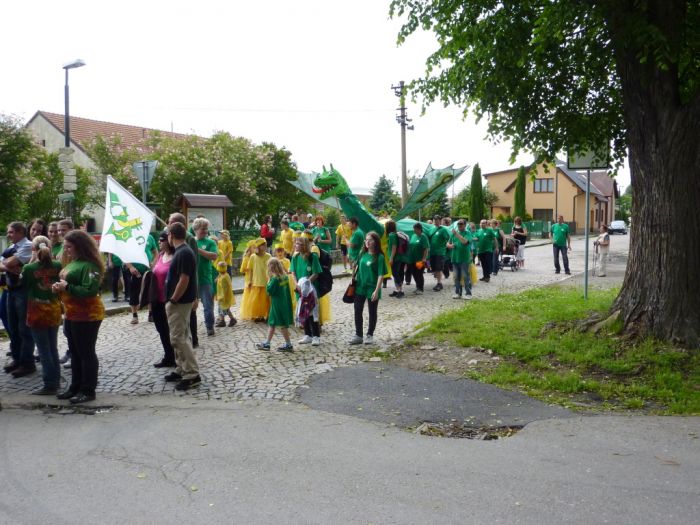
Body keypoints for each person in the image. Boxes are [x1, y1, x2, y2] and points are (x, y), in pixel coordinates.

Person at [52, 230, 105, 404]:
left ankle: (88, 389)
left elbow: (89, 290)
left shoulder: (90, 265)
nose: (66, 250)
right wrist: (59, 287)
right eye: (65, 246)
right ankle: (75, 386)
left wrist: (67, 287)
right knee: (74, 352)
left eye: (69, 246)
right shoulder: (73, 262)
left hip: (88, 315)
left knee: (86, 352)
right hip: (72, 313)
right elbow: (68, 283)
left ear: (80, 246)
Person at [22, 235, 63, 394]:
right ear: (50, 248)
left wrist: (32, 260)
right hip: (53, 309)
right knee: (53, 347)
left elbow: (24, 284)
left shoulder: (29, 268)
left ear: (34, 249)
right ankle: (56, 379)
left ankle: (50, 384)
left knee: (43, 350)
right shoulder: (58, 265)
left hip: (37, 311)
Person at [163, 222, 201, 391]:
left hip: (180, 302)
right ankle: (181, 368)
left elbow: (184, 279)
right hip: (180, 301)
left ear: (171, 235)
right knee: (181, 336)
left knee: (178, 338)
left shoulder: (184, 252)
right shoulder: (181, 251)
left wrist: (173, 299)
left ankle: (192, 374)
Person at [1, 222, 35, 378]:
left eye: (11, 232)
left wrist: (8, 264)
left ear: (21, 232)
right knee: (13, 327)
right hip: (11, 290)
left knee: (23, 329)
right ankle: (17, 359)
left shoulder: (28, 246)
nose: (8, 235)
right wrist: (10, 265)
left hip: (23, 291)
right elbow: (5, 264)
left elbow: (7, 262)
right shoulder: (10, 248)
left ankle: (27, 363)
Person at [167, 213, 200, 348]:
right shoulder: (175, 243)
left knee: (189, 318)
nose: (168, 225)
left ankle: (194, 341)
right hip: (179, 290)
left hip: (185, 293)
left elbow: (191, 270)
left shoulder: (188, 241)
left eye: (170, 222)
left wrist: (195, 295)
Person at [348, 231, 386, 345]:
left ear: (375, 242)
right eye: (366, 240)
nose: (367, 242)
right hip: (360, 286)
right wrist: (352, 276)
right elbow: (356, 266)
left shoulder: (379, 257)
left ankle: (370, 334)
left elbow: (381, 275)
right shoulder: (362, 253)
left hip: (372, 288)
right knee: (357, 309)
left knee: (372, 311)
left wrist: (377, 290)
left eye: (370, 240)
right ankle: (358, 335)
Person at [255, 258, 294, 352]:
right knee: (273, 323)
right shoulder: (284, 277)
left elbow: (269, 291)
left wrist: (268, 282)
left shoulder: (275, 279)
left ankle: (288, 344)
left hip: (277, 304)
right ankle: (267, 343)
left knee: (281, 324)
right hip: (283, 303)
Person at [150, 230, 176, 368]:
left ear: (168, 241)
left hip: (169, 299)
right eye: (159, 240)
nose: (159, 242)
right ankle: (168, 356)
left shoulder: (175, 257)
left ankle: (176, 356)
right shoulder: (160, 255)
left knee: (172, 330)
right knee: (161, 330)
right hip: (157, 300)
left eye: (161, 240)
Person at [291, 236, 322, 346]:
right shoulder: (295, 257)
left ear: (304, 245)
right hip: (299, 289)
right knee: (303, 310)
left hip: (310, 289)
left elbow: (316, 273)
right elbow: (293, 272)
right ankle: (307, 334)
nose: (296, 245)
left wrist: (307, 282)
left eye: (298, 243)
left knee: (312, 312)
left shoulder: (312, 257)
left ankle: (316, 336)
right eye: (295, 243)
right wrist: (296, 284)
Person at [192, 217, 218, 336]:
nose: (205, 231)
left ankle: (209, 326)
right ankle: (191, 329)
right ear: (196, 229)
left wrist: (198, 250)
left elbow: (214, 256)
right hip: (192, 279)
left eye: (206, 229)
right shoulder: (191, 241)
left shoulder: (210, 242)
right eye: (203, 229)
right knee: (191, 305)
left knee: (208, 305)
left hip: (205, 278)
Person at [246, 238, 272, 321]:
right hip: (256, 281)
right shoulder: (253, 257)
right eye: (263, 245)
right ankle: (259, 315)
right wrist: (250, 280)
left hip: (266, 281)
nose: (265, 246)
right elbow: (251, 269)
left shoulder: (269, 256)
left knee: (266, 300)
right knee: (257, 300)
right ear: (258, 246)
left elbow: (271, 269)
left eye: (265, 245)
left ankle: (267, 315)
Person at [447, 220, 473, 299]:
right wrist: (450, 246)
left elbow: (465, 242)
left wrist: (456, 234)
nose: (459, 225)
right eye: (458, 224)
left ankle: (468, 293)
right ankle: (458, 293)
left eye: (461, 224)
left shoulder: (467, 233)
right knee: (456, 277)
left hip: (464, 258)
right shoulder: (453, 234)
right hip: (455, 258)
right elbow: (447, 243)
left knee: (465, 276)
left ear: (465, 225)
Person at [385, 220, 406, 298]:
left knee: (395, 274)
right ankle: (398, 290)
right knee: (398, 273)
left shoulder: (391, 235)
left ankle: (400, 290)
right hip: (399, 257)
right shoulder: (395, 234)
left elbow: (394, 247)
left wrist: (391, 258)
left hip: (395, 258)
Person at [429, 215, 451, 291]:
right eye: (434, 220)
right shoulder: (431, 229)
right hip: (432, 252)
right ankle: (438, 282)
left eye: (437, 220)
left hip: (440, 252)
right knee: (434, 269)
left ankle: (439, 283)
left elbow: (449, 238)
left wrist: (448, 245)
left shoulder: (443, 230)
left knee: (438, 268)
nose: (436, 221)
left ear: (440, 221)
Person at [274, 244, 297, 313]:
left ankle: (287, 308)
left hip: (285, 281)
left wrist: (282, 266)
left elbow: (288, 272)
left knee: (285, 293)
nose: (280, 253)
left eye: (281, 251)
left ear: (284, 252)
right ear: (275, 252)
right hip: (277, 280)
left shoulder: (287, 260)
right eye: (278, 251)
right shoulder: (274, 260)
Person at [238, 239, 257, 321]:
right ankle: (250, 312)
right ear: (249, 249)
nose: (256, 249)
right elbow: (242, 269)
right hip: (249, 278)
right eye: (254, 248)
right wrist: (248, 268)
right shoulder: (247, 257)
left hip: (256, 278)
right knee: (250, 295)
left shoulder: (256, 256)